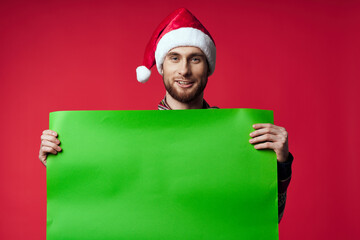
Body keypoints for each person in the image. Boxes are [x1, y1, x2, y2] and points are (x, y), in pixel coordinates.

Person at [39, 8, 293, 222]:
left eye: (195, 59)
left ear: (208, 68)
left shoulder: (240, 137)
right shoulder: (132, 138)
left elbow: (265, 219)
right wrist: (61, 163)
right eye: (174, 58)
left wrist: (280, 166)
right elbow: (100, 208)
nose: (184, 70)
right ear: (162, 67)